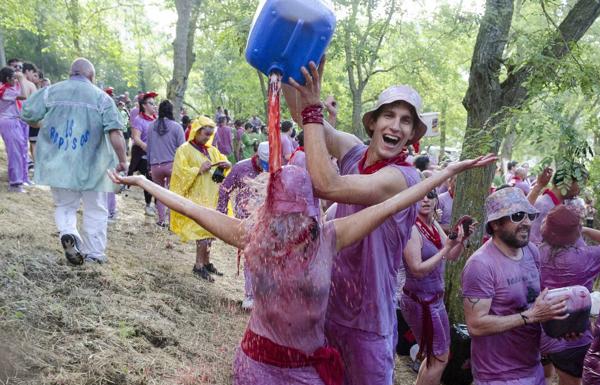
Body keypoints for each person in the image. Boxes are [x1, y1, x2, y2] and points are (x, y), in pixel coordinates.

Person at [109, 144, 495, 385]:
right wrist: (144, 182)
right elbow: (189, 206)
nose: (293, 217)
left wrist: (445, 175)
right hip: (258, 363)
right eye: (284, 209)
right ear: (271, 207)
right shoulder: (251, 234)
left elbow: (392, 204)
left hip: (309, 366)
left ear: (313, 206)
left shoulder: (330, 235)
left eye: (301, 207)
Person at [286, 59, 496, 385]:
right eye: (389, 115)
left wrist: (313, 111)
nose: (396, 126)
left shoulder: (405, 178)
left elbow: (329, 185)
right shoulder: (353, 152)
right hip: (325, 305)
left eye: (406, 121)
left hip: (368, 323)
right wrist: (286, 65)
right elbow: (303, 113)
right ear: (373, 123)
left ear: (412, 135)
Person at [20, 58, 127, 264]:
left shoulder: (51, 91)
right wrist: (122, 160)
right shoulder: (102, 98)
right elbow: (116, 132)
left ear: (71, 73)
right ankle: (94, 254)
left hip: (60, 162)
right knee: (96, 207)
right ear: (91, 76)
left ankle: (69, 234)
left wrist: (43, 124)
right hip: (94, 165)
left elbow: (27, 113)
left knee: (64, 205)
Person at [462, 187, 569, 385]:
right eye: (518, 216)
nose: (527, 222)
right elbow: (475, 325)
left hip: (533, 366)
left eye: (529, 215)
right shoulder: (481, 265)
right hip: (497, 376)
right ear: (495, 224)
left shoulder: (531, 251)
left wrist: (562, 321)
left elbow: (533, 303)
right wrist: (531, 316)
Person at [539, 205, 600, 385]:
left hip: (542, 332)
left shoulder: (536, 252)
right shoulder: (585, 258)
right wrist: (584, 230)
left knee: (554, 377)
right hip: (574, 336)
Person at [400, 189, 474, 385]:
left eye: (430, 195)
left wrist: (461, 240)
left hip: (435, 300)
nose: (425, 199)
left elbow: (451, 256)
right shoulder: (411, 228)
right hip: (420, 301)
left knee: (437, 355)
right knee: (440, 358)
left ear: (435, 201)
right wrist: (448, 247)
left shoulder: (432, 224)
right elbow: (416, 269)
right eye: (420, 195)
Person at [169, 116, 230, 282]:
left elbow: (224, 160)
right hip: (196, 197)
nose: (207, 137)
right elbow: (179, 173)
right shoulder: (184, 150)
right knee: (201, 231)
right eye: (205, 134)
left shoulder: (211, 150)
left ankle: (207, 262)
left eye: (210, 134)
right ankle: (198, 266)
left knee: (210, 230)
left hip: (211, 195)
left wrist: (226, 164)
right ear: (196, 131)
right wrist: (198, 169)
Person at [217, 141, 270, 309]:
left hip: (268, 218)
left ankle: (265, 295)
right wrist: (222, 214)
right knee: (250, 255)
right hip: (246, 218)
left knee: (267, 257)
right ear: (257, 156)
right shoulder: (241, 168)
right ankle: (249, 295)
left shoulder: (277, 168)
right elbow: (225, 189)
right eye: (264, 163)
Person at [147, 100, 185, 226]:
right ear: (171, 111)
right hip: (171, 165)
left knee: (160, 194)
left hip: (155, 165)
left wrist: (149, 164)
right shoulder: (177, 127)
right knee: (171, 194)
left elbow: (149, 147)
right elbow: (182, 149)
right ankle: (171, 222)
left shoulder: (151, 126)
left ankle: (161, 220)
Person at [529, 166, 588, 245]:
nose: (580, 191)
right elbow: (534, 242)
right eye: (580, 184)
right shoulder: (544, 206)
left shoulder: (561, 205)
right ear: (567, 181)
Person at [0, 67, 29, 192]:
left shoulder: (10, 88)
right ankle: (15, 183)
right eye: (13, 78)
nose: (16, 80)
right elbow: (24, 96)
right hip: (8, 122)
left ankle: (21, 179)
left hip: (15, 120)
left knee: (21, 148)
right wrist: (22, 80)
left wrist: (19, 80)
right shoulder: (4, 90)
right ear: (7, 79)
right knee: (14, 152)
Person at [129, 91, 158, 216]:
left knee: (157, 179)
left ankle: (158, 206)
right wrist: (144, 146)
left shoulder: (157, 120)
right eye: (151, 103)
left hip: (156, 154)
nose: (154, 106)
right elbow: (136, 137)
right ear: (144, 105)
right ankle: (147, 205)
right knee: (149, 177)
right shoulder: (138, 120)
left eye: (155, 103)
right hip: (142, 153)